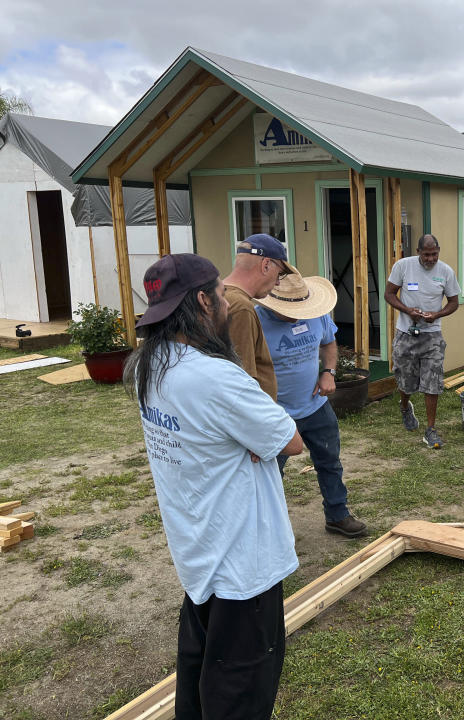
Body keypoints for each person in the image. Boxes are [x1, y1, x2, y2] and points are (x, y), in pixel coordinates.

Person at [124, 253, 304, 720]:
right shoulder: (216, 377)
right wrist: (255, 440)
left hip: (198, 554)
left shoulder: (151, 364)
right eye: (222, 294)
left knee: (200, 680)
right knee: (239, 695)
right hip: (243, 565)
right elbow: (291, 441)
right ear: (203, 302)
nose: (228, 301)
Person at [256, 270, 368, 538]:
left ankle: (337, 515)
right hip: (276, 412)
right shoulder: (254, 322)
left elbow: (329, 344)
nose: (298, 314)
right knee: (270, 475)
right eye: (290, 311)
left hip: (315, 405)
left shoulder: (315, 312)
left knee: (329, 461)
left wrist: (328, 372)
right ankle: (272, 532)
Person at [384, 233, 461, 449]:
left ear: (439, 252)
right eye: (426, 254)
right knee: (405, 378)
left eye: (434, 254)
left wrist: (437, 315)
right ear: (418, 252)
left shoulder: (446, 271)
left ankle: (431, 429)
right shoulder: (403, 266)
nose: (430, 259)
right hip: (406, 332)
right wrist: (408, 310)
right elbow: (389, 294)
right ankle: (405, 406)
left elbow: (454, 302)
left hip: (433, 334)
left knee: (433, 381)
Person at [222, 233, 295, 399]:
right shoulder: (241, 307)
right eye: (280, 274)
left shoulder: (218, 296)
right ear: (266, 265)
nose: (277, 283)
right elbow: (241, 381)